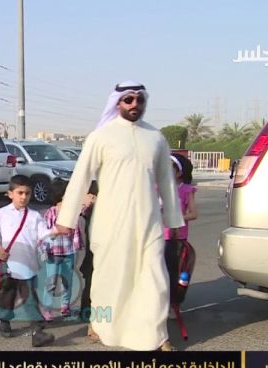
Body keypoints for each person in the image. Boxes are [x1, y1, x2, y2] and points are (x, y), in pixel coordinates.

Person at [54, 80, 184, 352]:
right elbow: (80, 178)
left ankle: (157, 334)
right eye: (128, 99)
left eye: (140, 99)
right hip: (111, 223)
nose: (135, 104)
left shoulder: (156, 137)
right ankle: (103, 325)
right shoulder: (101, 137)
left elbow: (167, 181)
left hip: (149, 221)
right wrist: (66, 219)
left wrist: (173, 220)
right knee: (111, 279)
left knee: (155, 278)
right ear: (118, 102)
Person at [0, 174, 56, 347]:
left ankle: (38, 331)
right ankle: (4, 320)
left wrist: (56, 232)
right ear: (10, 194)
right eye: (20, 193)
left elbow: (44, 234)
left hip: (28, 265)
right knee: (7, 295)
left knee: (30, 297)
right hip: (8, 265)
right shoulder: (1, 214)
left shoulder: (34, 216)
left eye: (27, 193)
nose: (24, 197)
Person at [38, 179, 85, 320]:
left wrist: (76, 245)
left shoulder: (71, 212)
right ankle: (47, 308)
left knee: (67, 280)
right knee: (51, 282)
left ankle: (65, 306)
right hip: (53, 252)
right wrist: (43, 249)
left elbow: (75, 229)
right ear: (62, 195)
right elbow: (45, 233)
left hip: (68, 251)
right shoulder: (51, 213)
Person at [164, 154, 198, 318]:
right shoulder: (157, 188)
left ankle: (174, 303)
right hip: (159, 238)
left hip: (177, 240)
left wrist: (177, 218)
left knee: (176, 274)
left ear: (179, 173)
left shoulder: (186, 190)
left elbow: (194, 214)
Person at [78, 181, 98, 341]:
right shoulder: (89, 209)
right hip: (92, 253)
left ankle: (89, 313)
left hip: (98, 252)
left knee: (94, 283)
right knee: (91, 283)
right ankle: (86, 312)